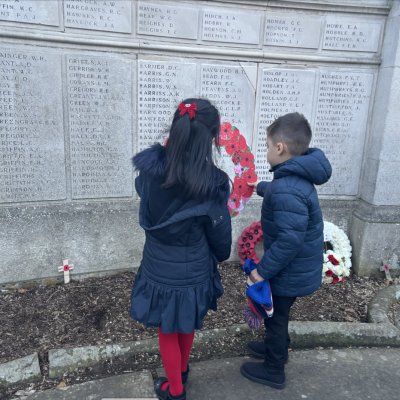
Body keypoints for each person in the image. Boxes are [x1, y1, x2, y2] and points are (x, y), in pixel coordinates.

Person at [130, 98, 232, 400]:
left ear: (176, 129)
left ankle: (174, 387)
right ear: (211, 139)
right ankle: (179, 379)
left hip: (158, 269)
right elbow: (221, 239)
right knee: (186, 323)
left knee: (167, 330)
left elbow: (142, 192)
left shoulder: (151, 170)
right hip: (194, 271)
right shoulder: (213, 183)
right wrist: (218, 256)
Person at [240, 112, 332, 389]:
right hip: (296, 268)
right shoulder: (293, 178)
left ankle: (274, 368)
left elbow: (289, 240)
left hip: (287, 271)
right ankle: (276, 347)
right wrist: (261, 187)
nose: (267, 151)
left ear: (279, 148)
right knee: (278, 314)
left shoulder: (286, 189)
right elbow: (286, 192)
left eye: (268, 146)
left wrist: (261, 272)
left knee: (276, 318)